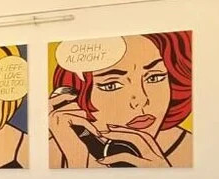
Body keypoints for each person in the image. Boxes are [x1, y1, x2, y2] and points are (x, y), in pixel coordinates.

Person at [49, 31, 192, 168]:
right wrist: (77, 160)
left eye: (154, 77)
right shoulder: (51, 153)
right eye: (111, 85)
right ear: (75, 97)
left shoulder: (191, 149)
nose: (141, 100)